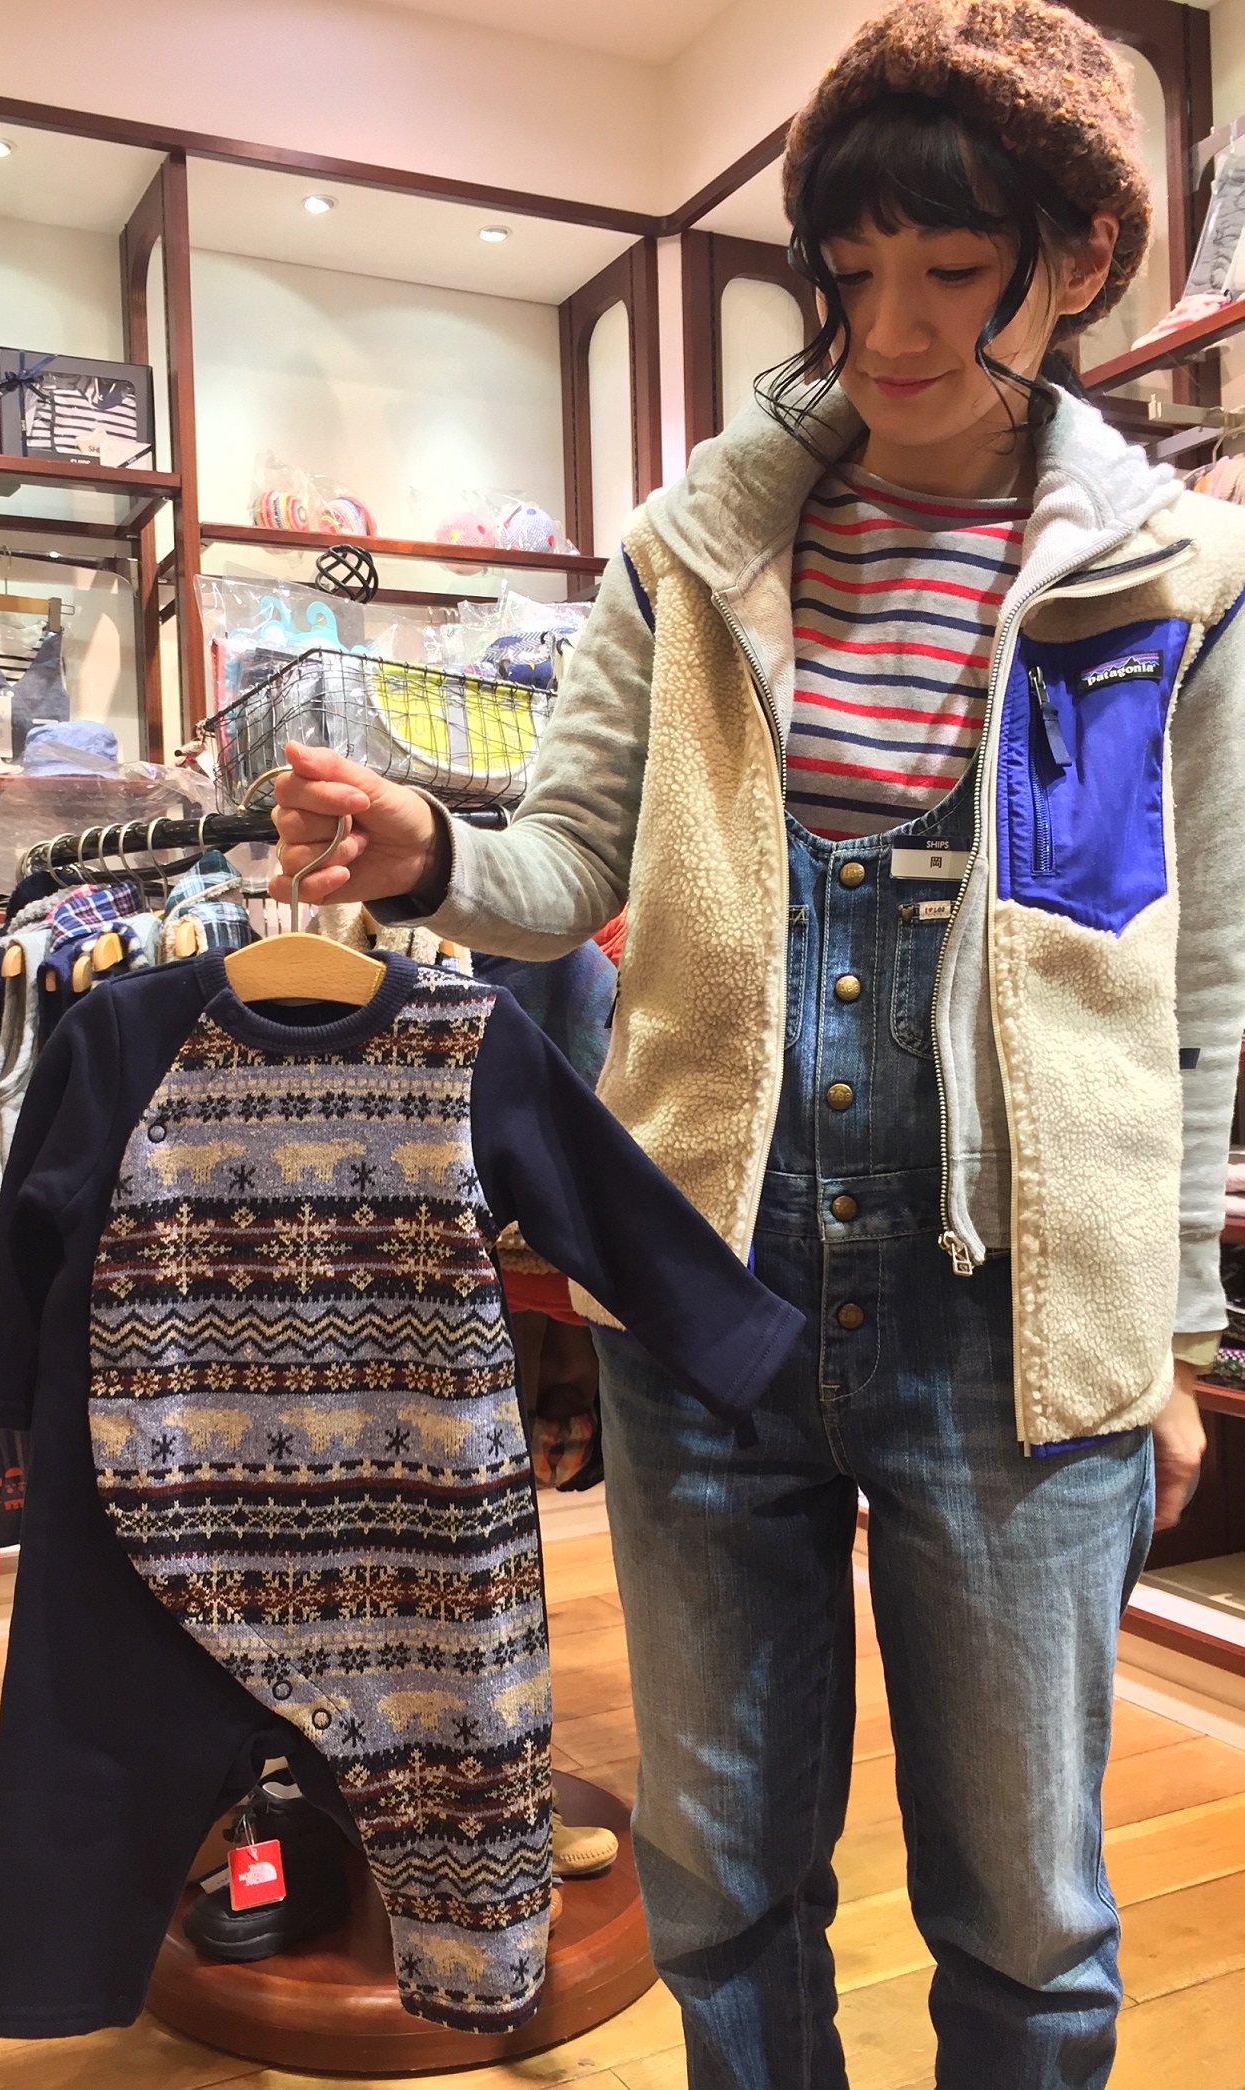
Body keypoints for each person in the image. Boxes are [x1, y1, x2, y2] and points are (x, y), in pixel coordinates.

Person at [268, 3, 1245, 2081]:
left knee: (1031, 1918)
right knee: (718, 1883)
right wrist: (425, 851)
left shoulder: (1172, 578)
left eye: (952, 270)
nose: (889, 328)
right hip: (706, 1287)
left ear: (1079, 260)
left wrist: (1167, 1321)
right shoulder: (695, 545)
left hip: (1022, 1314)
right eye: (851, 269)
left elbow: (1200, 973)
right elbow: (562, 868)